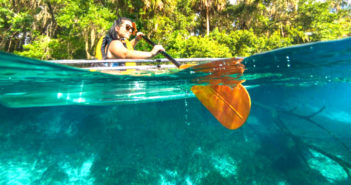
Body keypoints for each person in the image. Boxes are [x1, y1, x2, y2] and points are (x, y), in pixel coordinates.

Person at [95, 17, 165, 62]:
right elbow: (125, 54)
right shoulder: (114, 43)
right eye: (128, 27)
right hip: (114, 83)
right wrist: (151, 54)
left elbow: (127, 48)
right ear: (117, 28)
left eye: (132, 29)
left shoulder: (118, 43)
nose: (131, 31)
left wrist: (136, 39)